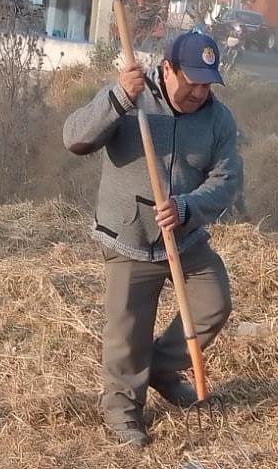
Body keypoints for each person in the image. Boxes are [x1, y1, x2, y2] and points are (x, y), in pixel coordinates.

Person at [63, 31, 242, 446]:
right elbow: (75, 138)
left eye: (207, 83)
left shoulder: (219, 119)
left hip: (184, 237)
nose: (199, 91)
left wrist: (187, 208)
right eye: (191, 80)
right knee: (127, 330)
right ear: (168, 69)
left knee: (214, 304)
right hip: (129, 235)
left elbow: (226, 180)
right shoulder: (132, 99)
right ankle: (123, 409)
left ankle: (162, 367)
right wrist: (118, 98)